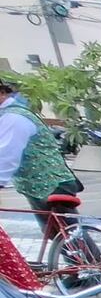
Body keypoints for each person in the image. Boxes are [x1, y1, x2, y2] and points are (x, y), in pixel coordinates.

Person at [0, 79, 83, 224]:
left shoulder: (13, 117)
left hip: (50, 184)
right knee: (58, 235)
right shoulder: (9, 114)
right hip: (40, 185)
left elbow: (7, 156)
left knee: (69, 237)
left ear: (2, 93)